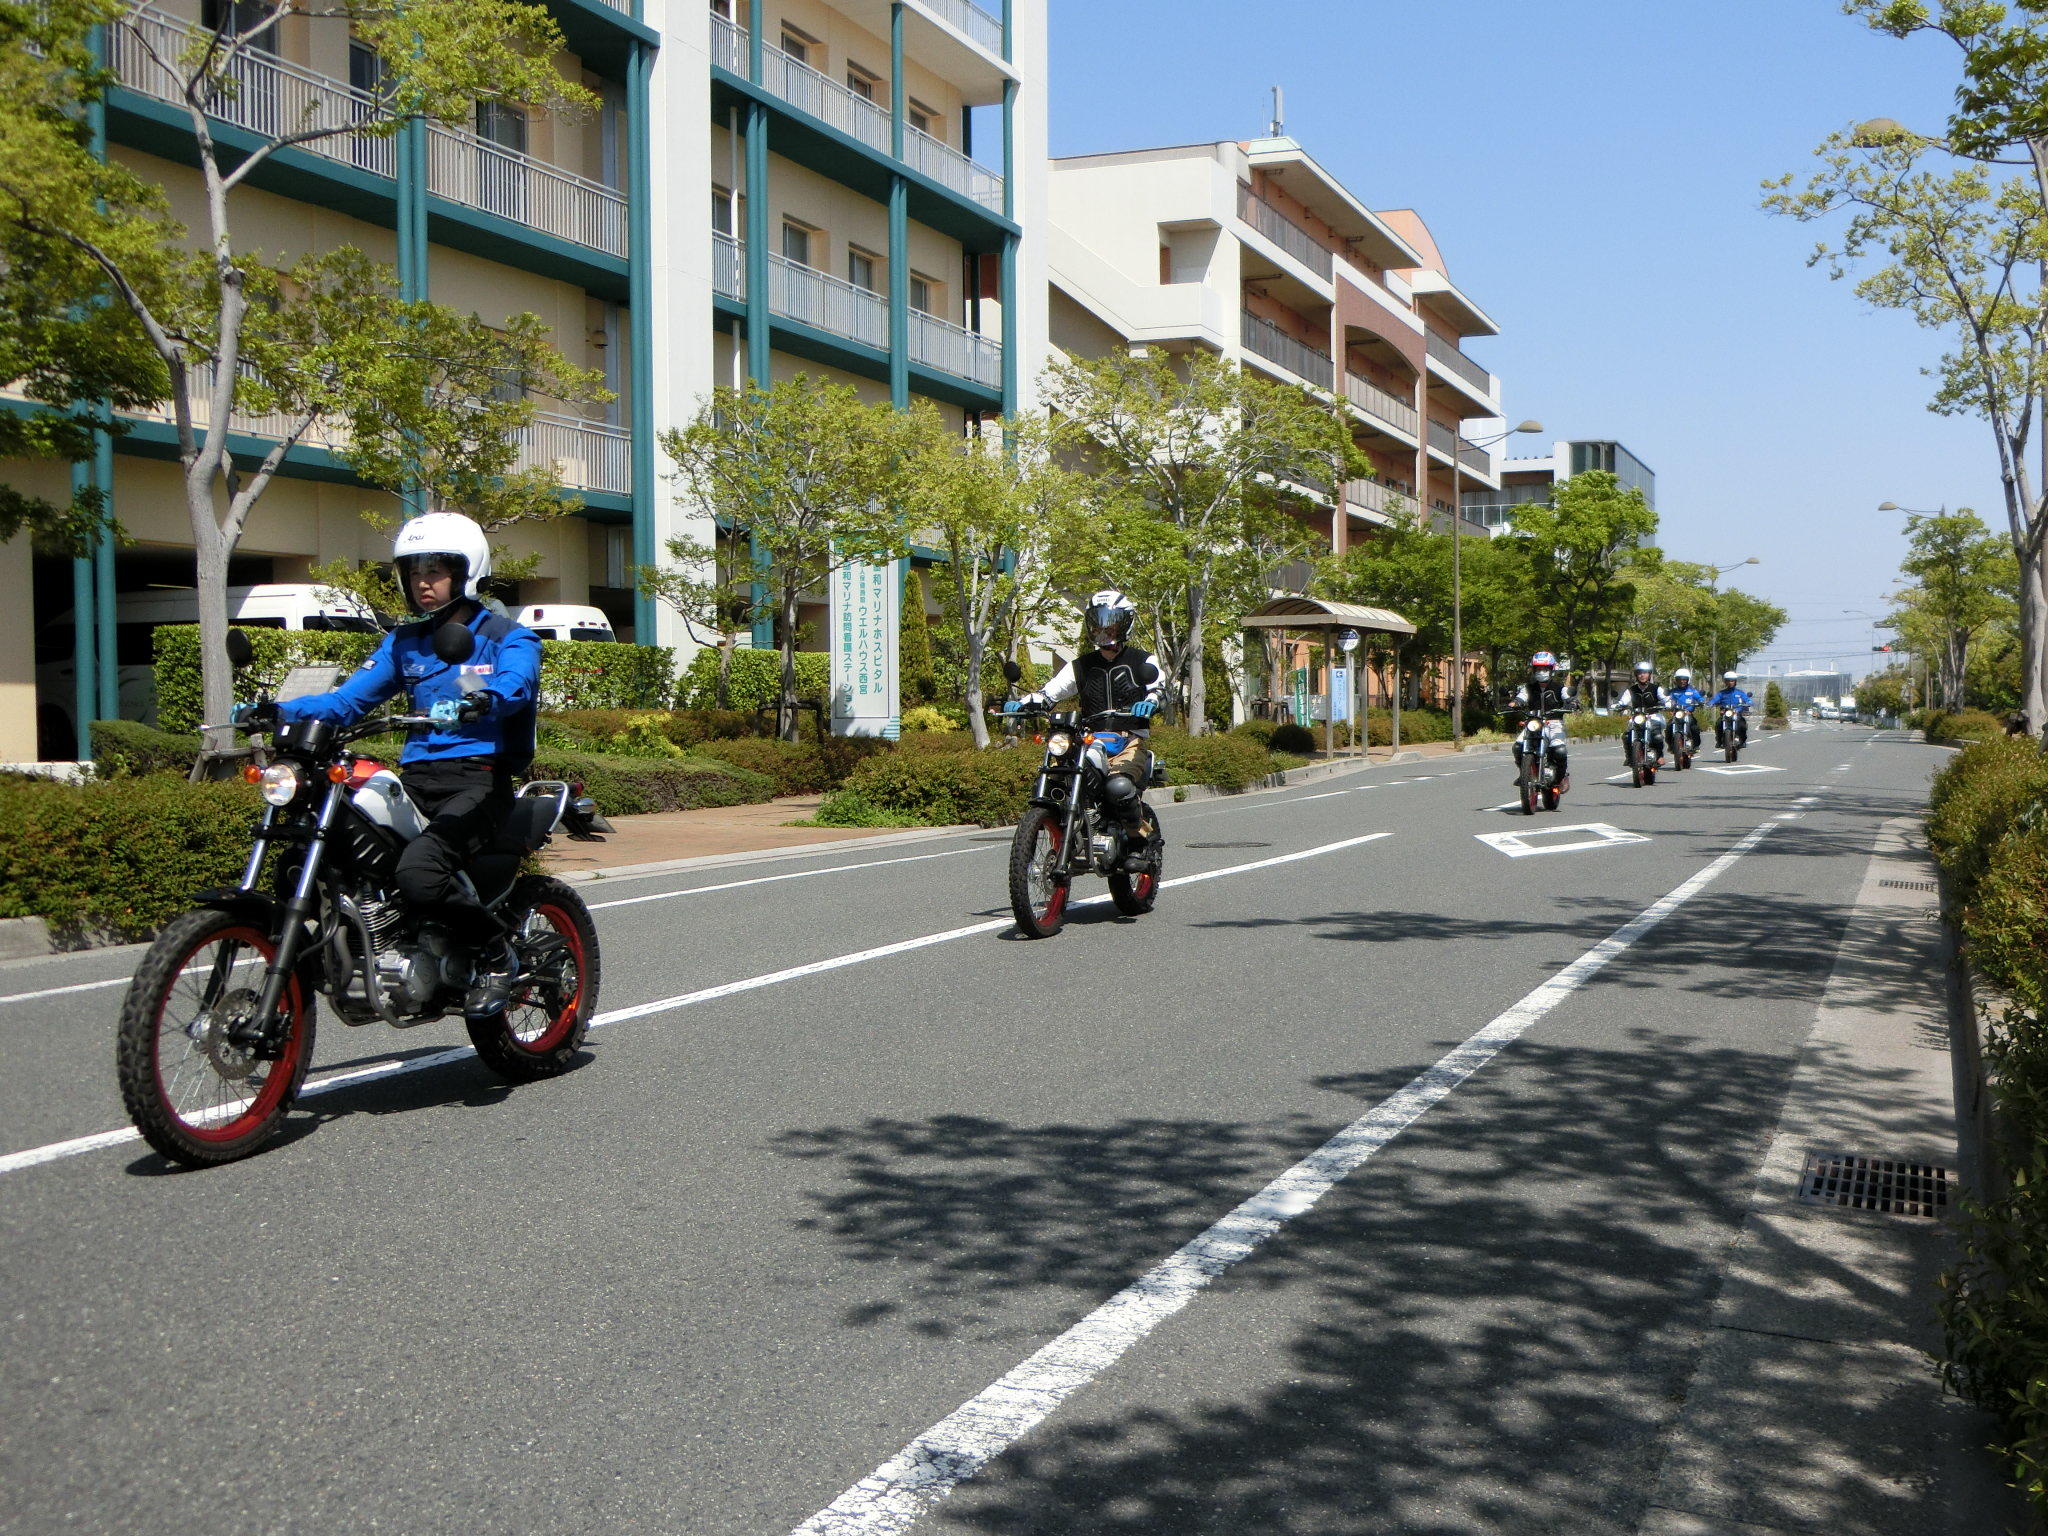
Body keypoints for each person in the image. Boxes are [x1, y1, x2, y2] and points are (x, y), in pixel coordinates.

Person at [235, 512, 542, 1017]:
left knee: (420, 873)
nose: (424, 580)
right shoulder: (404, 643)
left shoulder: (508, 636)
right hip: (418, 779)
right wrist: (276, 711)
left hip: (479, 779)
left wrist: (485, 699)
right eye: (414, 569)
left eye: (437, 568)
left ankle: (496, 955)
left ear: (467, 571)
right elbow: (346, 703)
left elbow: (518, 684)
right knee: (328, 846)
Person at [1006, 589, 1166, 859]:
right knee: (1058, 776)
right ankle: (1062, 830)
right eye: (1099, 621)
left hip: (1129, 739)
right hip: (1089, 739)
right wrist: (1023, 703)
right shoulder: (1080, 666)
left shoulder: (1143, 661)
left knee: (1118, 788)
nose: (1105, 629)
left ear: (1125, 623)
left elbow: (1158, 688)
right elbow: (1050, 692)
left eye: (1111, 621)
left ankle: (1138, 843)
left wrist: (1152, 700)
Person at [1509, 650, 1576, 788]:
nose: (1541, 672)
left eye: (1545, 669)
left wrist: (1572, 702)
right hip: (1534, 723)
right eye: (1538, 669)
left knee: (1559, 751)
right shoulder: (1528, 688)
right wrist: (1514, 703)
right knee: (1517, 746)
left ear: (1551, 670)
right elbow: (1520, 698)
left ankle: (1561, 777)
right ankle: (1524, 773)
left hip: (1554, 723)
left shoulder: (1559, 688)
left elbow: (1567, 697)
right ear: (1534, 670)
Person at [1618, 661, 1672, 761]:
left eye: (1645, 672)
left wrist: (1667, 704)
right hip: (1637, 717)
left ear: (1649, 674)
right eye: (1639, 673)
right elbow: (1623, 701)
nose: (1642, 675)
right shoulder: (1631, 690)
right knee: (1626, 736)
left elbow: (1665, 699)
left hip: (1654, 715)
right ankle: (1630, 757)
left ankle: (1659, 755)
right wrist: (1619, 705)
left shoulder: (1656, 689)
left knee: (1657, 736)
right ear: (1636, 675)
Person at [1710, 671, 1753, 748]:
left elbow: (1747, 699)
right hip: (1725, 714)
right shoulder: (1721, 693)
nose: (1730, 683)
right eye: (1728, 681)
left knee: (1742, 725)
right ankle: (1719, 741)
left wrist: (1749, 702)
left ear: (1735, 682)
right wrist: (1710, 703)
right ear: (1725, 682)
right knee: (1719, 724)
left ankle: (1742, 741)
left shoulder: (1740, 693)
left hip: (1737, 714)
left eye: (1732, 681)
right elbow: (1714, 700)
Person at [1669, 667, 1706, 753]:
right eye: (1680, 679)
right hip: (1676, 714)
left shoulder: (1692, 691)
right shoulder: (1673, 692)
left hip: (1688, 714)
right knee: (1669, 728)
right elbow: (1668, 699)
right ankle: (1671, 746)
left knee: (1694, 728)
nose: (1682, 681)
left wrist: (1701, 702)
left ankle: (1696, 745)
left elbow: (1699, 698)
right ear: (1676, 680)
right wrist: (1667, 705)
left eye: (1684, 680)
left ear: (1688, 680)